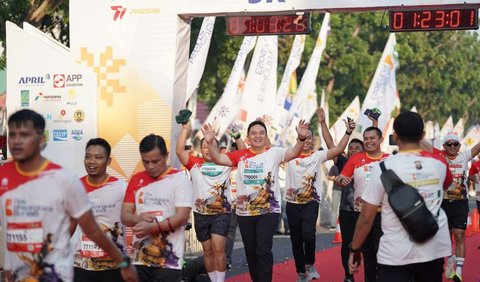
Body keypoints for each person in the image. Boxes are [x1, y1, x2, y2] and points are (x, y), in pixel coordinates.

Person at [0, 109, 137, 282]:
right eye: (12, 135)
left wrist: (123, 262)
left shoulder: (63, 180)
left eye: (25, 135)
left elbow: (91, 229)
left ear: (41, 140)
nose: (17, 141)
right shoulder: (3, 175)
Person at [348, 111, 453, 282]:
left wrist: (355, 249)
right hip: (432, 249)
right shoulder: (439, 163)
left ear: (395, 137)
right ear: (423, 136)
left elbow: (367, 217)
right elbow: (446, 183)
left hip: (394, 253)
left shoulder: (383, 168)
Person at [202, 119, 310, 282]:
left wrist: (301, 139)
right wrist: (210, 142)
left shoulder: (274, 153)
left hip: (268, 211)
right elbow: (217, 158)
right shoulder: (241, 155)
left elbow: (294, 152)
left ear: (266, 136)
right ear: (248, 137)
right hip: (245, 213)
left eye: (261, 133)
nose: (257, 136)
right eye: (254, 133)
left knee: (263, 248)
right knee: (251, 252)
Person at [285, 116, 356, 282]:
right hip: (292, 204)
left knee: (308, 235)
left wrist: (348, 132)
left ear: (312, 140)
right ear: (298, 138)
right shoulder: (289, 155)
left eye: (309, 138)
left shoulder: (317, 156)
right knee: (296, 239)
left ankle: (310, 265)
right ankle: (301, 272)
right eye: (303, 137)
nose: (307, 141)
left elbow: (338, 149)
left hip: (310, 203)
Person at [176, 120, 244, 282]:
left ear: (215, 147)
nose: (207, 150)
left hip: (222, 213)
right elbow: (179, 151)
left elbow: (244, 154)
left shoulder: (225, 162)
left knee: (218, 249)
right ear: (201, 150)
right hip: (201, 214)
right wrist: (185, 129)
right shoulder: (194, 163)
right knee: (207, 251)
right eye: (204, 147)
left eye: (210, 145)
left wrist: (236, 136)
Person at [121, 134, 193, 282]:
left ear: (166, 156)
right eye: (145, 162)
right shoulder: (136, 179)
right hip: (139, 257)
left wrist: (151, 228)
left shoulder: (179, 179)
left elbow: (182, 217)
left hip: (168, 260)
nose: (150, 166)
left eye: (155, 161)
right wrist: (138, 218)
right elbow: (125, 216)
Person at [336, 126, 389, 282]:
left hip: (384, 214)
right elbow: (340, 177)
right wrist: (342, 180)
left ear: (380, 140)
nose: (368, 141)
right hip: (363, 214)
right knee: (369, 254)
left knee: (383, 252)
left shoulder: (389, 159)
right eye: (366, 139)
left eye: (372, 138)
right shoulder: (355, 159)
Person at [72, 138, 128, 281]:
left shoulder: (121, 188)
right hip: (82, 265)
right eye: (88, 157)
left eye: (98, 158)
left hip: (113, 266)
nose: (92, 162)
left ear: (108, 161)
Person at [435, 133, 480, 281]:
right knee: (446, 237)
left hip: (461, 202)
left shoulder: (465, 156)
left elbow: (478, 148)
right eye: (449, 144)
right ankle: (450, 259)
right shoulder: (439, 157)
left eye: (455, 144)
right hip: (444, 202)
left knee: (460, 235)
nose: (452, 146)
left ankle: (459, 271)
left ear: (459, 146)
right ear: (444, 146)